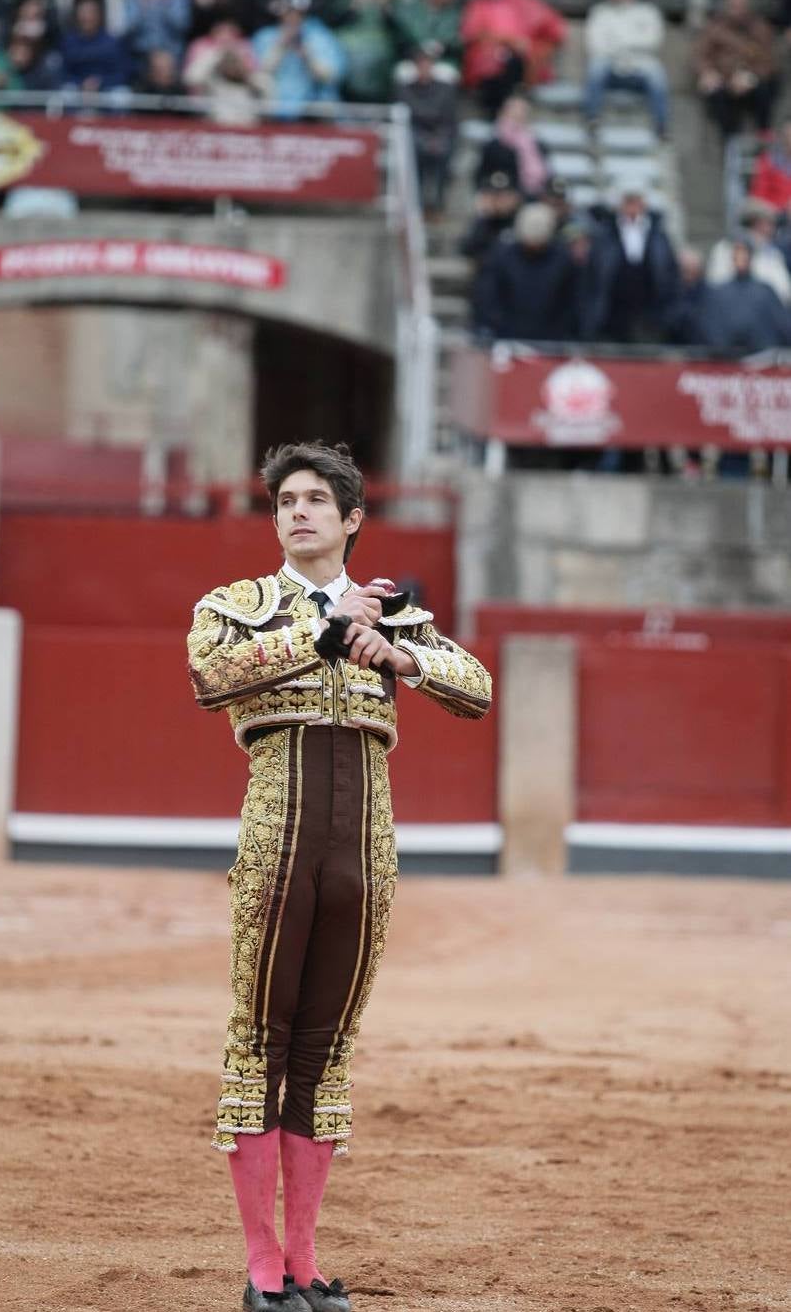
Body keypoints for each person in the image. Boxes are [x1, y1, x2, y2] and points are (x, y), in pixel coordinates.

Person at [187, 441, 492, 1312]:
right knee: (259, 1046)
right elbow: (213, 675)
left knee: (324, 1054)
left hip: (367, 856)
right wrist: (323, 627)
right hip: (277, 848)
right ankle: (259, 1268)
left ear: (352, 518)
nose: (299, 512)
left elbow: (476, 688)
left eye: (318, 499)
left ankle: (304, 1266)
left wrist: (403, 657)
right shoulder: (235, 606)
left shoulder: (394, 615)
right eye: (287, 500)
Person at [460, 0, 566, 117]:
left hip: (518, 60)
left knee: (513, 63)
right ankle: (499, 116)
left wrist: (536, 47)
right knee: (495, 68)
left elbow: (553, 25)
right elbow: (471, 34)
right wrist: (507, 41)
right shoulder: (476, 5)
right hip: (487, 62)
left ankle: (506, 115)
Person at [471, 200, 576, 340]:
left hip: (551, 339)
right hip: (507, 335)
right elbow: (488, 297)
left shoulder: (563, 260)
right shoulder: (501, 256)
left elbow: (570, 302)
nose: (534, 247)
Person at [588, 182, 679, 342]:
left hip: (650, 318)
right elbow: (592, 277)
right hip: (612, 318)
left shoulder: (659, 236)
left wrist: (667, 315)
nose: (632, 206)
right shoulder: (605, 236)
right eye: (628, 201)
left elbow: (670, 276)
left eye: (636, 200)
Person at [584, 0, 669, 137]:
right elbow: (594, 45)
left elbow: (653, 41)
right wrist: (632, 44)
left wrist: (617, 42)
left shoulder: (648, 11)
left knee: (657, 73)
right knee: (595, 67)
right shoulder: (599, 12)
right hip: (610, 69)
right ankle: (592, 120)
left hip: (640, 69)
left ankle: (661, 126)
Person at [694, 0, 778, 139]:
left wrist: (750, 77)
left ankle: (764, 138)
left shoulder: (760, 28)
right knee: (716, 94)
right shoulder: (714, 27)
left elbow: (768, 61)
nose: (736, 8)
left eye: (740, 4)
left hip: (752, 81)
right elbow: (700, 55)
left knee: (765, 89)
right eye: (732, 3)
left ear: (748, 5)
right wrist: (707, 72)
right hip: (723, 80)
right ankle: (730, 143)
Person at [251, 0, 344, 117]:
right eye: (289, 12)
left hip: (312, 111)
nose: (293, 17)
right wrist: (280, 46)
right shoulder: (265, 36)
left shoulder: (322, 37)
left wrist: (308, 56)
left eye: (299, 14)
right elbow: (259, 73)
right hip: (273, 110)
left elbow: (331, 77)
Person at [397, 40, 458, 214]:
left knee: (444, 150)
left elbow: (449, 118)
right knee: (416, 150)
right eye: (420, 62)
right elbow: (410, 115)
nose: (424, 66)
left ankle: (437, 204)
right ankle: (416, 204)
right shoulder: (404, 88)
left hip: (440, 135)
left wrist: (438, 136)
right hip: (415, 135)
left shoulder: (445, 89)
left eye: (428, 62)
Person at [706, 237, 791, 352]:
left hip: (762, 360)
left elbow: (782, 324)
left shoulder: (765, 291)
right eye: (737, 254)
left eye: (744, 254)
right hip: (727, 361)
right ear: (732, 258)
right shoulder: (719, 292)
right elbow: (711, 326)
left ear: (751, 257)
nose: (741, 258)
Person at [707, 197, 791, 303]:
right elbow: (716, 284)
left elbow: (784, 292)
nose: (772, 229)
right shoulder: (723, 249)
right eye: (768, 223)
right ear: (756, 223)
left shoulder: (772, 253)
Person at [334, 0, 400, 104]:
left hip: (380, 78)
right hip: (347, 76)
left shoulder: (388, 9)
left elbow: (402, 37)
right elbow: (332, 24)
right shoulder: (342, 6)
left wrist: (385, 9)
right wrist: (353, 8)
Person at [392, 0, 461, 82]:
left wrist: (442, 47)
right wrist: (419, 56)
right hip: (413, 60)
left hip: (442, 61)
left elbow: (456, 41)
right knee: (402, 72)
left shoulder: (454, 14)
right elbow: (403, 38)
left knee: (449, 74)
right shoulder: (410, 9)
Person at [475, 93, 547, 195]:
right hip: (499, 197)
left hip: (532, 196)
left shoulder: (537, 144)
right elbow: (480, 177)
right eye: (514, 115)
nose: (517, 121)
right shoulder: (493, 145)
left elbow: (546, 177)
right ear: (503, 114)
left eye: (522, 115)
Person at [123, 0, 191, 69]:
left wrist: (165, 5)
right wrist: (142, 9)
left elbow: (182, 26)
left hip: (171, 55)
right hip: (142, 55)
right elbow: (128, 29)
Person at [59, 0, 130, 92]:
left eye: (91, 12)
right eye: (83, 13)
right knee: (66, 92)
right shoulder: (68, 41)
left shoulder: (112, 42)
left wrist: (100, 82)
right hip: (77, 88)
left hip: (107, 88)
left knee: (122, 95)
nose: (87, 17)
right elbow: (63, 72)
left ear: (99, 15)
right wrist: (81, 82)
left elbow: (122, 73)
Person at [459, 167, 522, 260]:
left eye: (503, 196)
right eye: (494, 196)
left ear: (515, 198)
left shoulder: (520, 222)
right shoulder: (482, 223)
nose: (497, 201)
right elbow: (467, 248)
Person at [750, 116, 791, 211]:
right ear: (782, 139)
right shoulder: (768, 162)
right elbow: (758, 197)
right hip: (775, 217)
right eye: (788, 137)